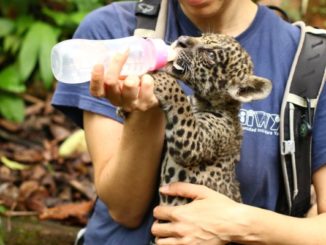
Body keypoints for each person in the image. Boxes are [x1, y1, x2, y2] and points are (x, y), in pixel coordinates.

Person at [51, 0, 326, 244]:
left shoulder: (310, 61)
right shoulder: (115, 29)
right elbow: (124, 210)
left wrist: (237, 224)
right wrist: (144, 112)